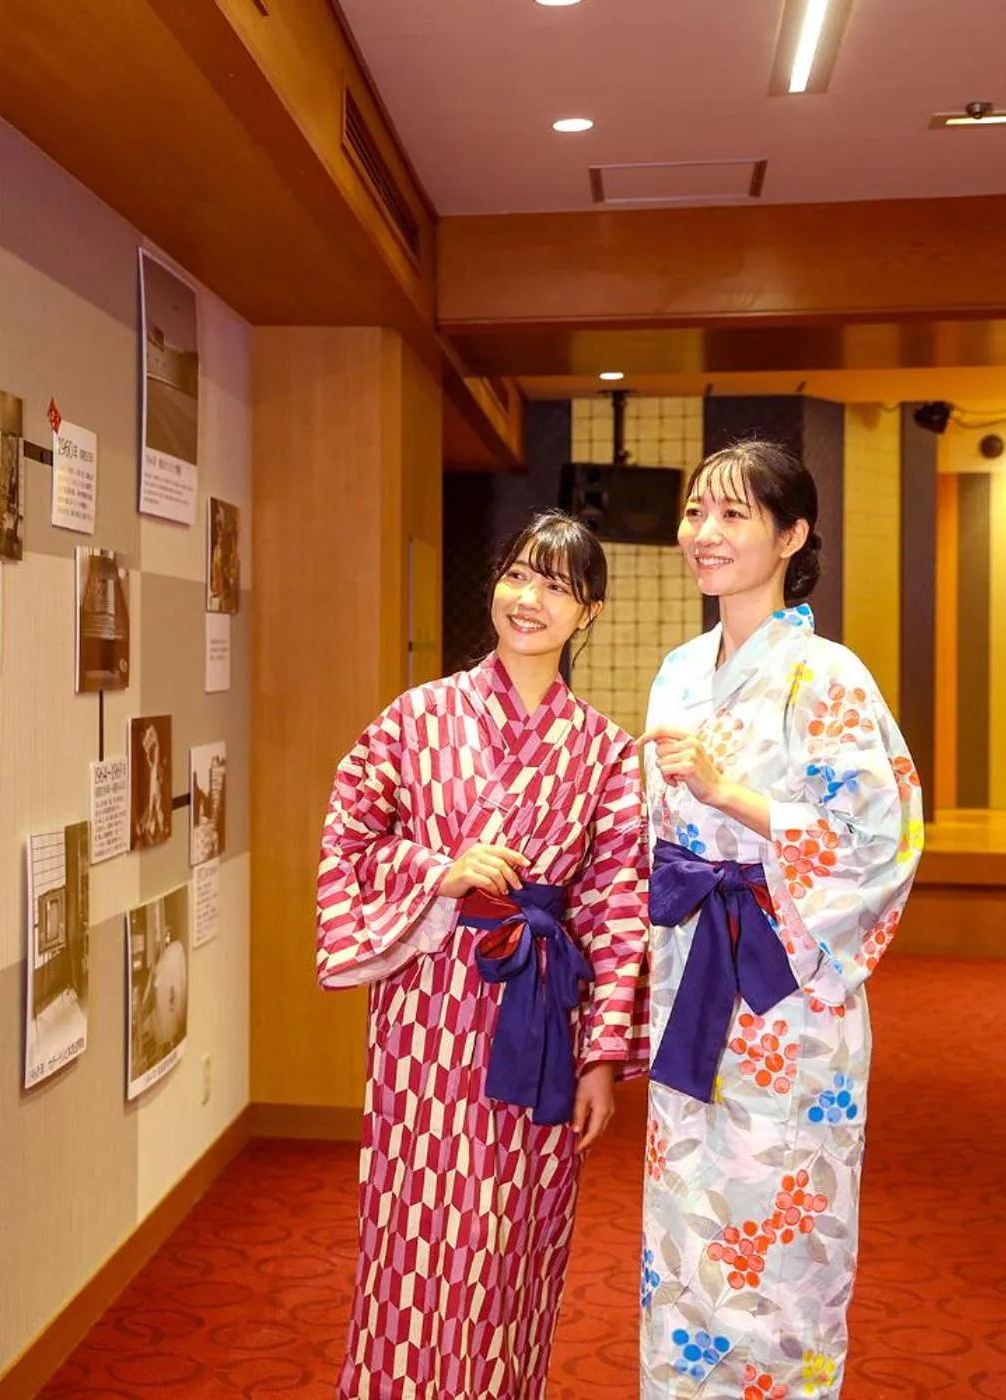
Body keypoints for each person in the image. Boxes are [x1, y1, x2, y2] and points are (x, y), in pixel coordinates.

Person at [316, 510, 651, 1400]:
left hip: (537, 1020)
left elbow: (619, 907)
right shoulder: (415, 718)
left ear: (590, 614)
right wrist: (439, 871)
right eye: (517, 574)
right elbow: (350, 837)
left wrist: (602, 1058)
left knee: (513, 1239)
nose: (528, 598)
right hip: (425, 1016)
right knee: (413, 1230)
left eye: (556, 585)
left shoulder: (608, 754)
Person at [638, 441, 923, 1400]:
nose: (704, 535)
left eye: (733, 516)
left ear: (791, 536)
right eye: (694, 513)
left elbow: (880, 840)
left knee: (784, 1234)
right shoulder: (679, 670)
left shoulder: (829, 674)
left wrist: (733, 796)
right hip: (691, 975)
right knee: (687, 1219)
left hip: (788, 989)